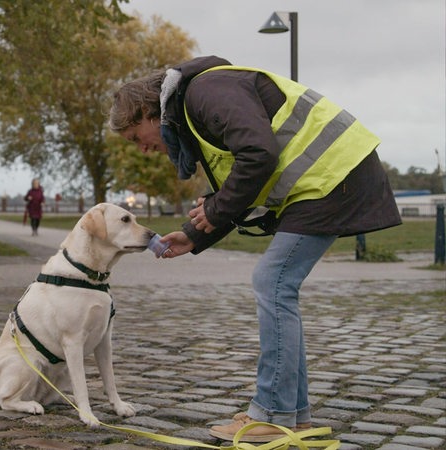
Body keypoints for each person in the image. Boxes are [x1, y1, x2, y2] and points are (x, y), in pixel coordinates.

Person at [109, 56, 401, 442]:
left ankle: (273, 414)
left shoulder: (204, 92)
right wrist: (196, 234)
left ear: (148, 112)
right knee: (277, 284)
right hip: (329, 179)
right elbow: (247, 180)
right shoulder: (198, 104)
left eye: (135, 138)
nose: (142, 149)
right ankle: (292, 417)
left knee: (273, 281)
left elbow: (259, 155)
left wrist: (215, 210)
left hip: (332, 177)